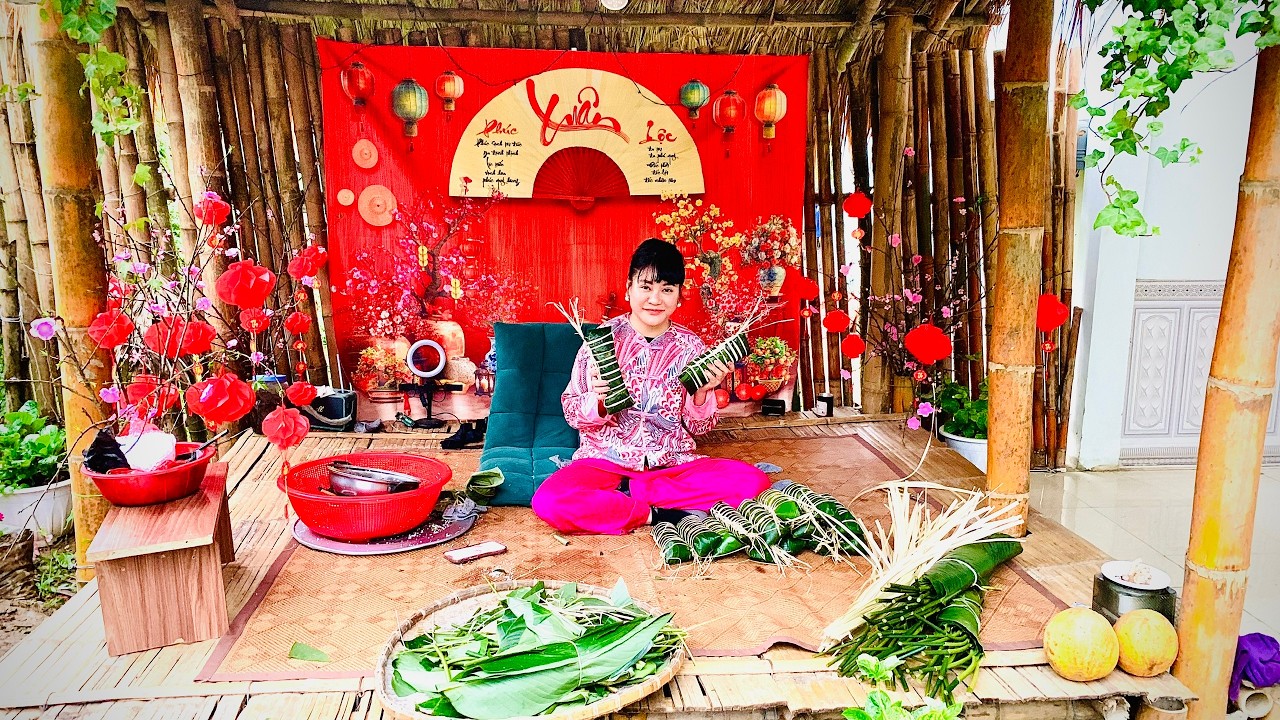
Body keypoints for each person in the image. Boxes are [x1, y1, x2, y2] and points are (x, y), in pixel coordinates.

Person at [531, 238, 770, 535]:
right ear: (630, 287)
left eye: (666, 290)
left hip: (669, 465)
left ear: (679, 296)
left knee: (752, 481)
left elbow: (700, 428)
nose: (655, 299)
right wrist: (601, 402)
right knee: (549, 501)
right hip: (605, 463)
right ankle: (653, 514)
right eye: (646, 287)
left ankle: (631, 497)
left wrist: (701, 393)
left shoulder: (690, 347)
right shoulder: (600, 342)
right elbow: (572, 412)